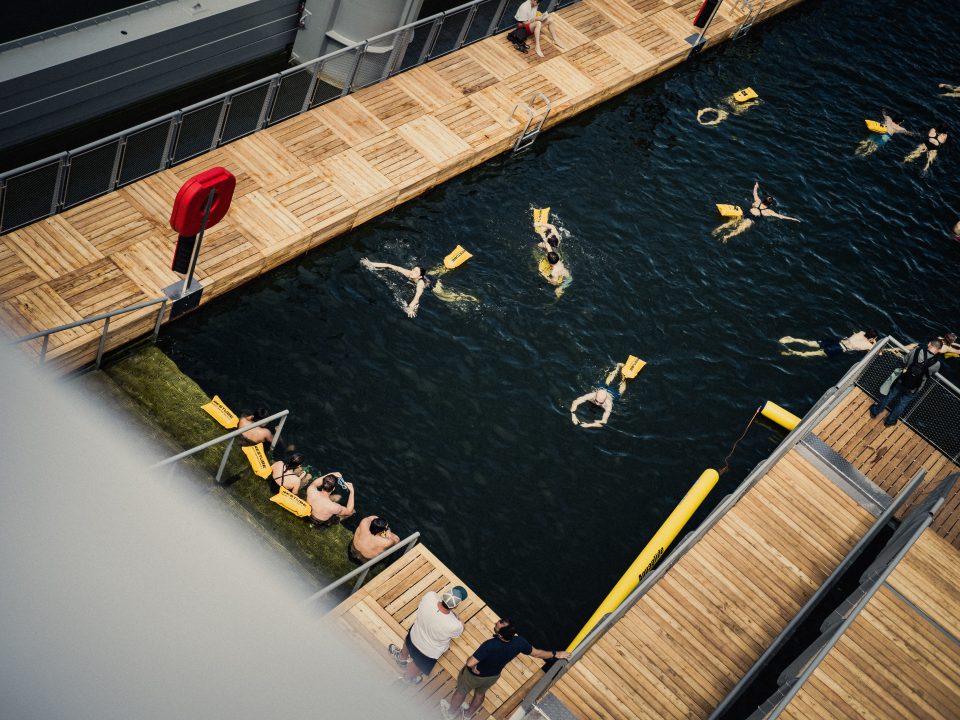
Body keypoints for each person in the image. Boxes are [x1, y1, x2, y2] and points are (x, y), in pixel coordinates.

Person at [440, 619, 571, 720]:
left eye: (499, 624)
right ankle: (467, 715)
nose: (496, 622)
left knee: (461, 691)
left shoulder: (489, 645)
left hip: (475, 675)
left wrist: (473, 668)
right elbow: (536, 653)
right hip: (493, 676)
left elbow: (470, 663)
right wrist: (555, 654)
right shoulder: (519, 642)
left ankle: (451, 713)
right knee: (480, 694)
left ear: (501, 634)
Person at [388, 586, 467, 683]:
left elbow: (436, 600)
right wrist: (457, 618)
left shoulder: (430, 596)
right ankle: (407, 679)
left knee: (408, 644)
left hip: (414, 635)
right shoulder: (455, 625)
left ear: (444, 595)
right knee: (417, 665)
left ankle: (401, 658)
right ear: (455, 606)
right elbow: (459, 630)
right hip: (428, 652)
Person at [869, 339, 942, 426]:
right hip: (915, 388)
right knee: (902, 404)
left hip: (903, 380)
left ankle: (875, 411)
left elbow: (904, 361)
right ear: (939, 350)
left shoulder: (916, 351)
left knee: (890, 396)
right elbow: (930, 374)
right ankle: (889, 421)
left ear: (929, 344)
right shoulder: (937, 364)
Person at [713, 182, 800, 242]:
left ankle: (718, 229)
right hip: (751, 220)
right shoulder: (769, 211)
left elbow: (754, 193)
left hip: (745, 214)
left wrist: (756, 186)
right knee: (739, 229)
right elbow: (781, 216)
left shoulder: (757, 201)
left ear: (763, 200)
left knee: (731, 223)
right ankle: (727, 236)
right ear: (769, 204)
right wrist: (794, 219)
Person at [360, 258, 434, 317]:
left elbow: (417, 296)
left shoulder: (420, 283)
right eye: (413, 270)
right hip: (416, 279)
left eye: (416, 272)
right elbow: (389, 265)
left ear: (420, 276)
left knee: (439, 292)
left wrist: (410, 307)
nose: (413, 272)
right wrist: (371, 263)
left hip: (432, 284)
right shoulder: (408, 273)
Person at [570, 362, 628, 429]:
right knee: (607, 382)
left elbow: (603, 422)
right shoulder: (591, 395)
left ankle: (624, 377)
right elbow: (575, 402)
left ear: (605, 400)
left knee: (621, 391)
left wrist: (589, 425)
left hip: (613, 394)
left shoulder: (608, 404)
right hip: (602, 388)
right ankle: (617, 367)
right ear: (595, 396)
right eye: (596, 401)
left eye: (601, 402)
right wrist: (573, 415)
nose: (597, 404)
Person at [779, 329, 878, 358]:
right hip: (838, 349)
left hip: (837, 341)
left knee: (811, 344)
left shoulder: (861, 333)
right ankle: (791, 353)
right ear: (872, 339)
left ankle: (793, 339)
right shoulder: (869, 345)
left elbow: (855, 334)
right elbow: (877, 351)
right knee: (811, 354)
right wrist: (874, 342)